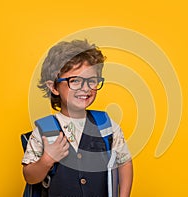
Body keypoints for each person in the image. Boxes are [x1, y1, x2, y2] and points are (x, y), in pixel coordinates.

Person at [22, 39, 133, 197]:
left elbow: (124, 162)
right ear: (53, 87)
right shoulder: (45, 131)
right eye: (75, 81)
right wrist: (47, 160)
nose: (85, 88)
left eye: (92, 81)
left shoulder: (106, 126)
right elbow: (30, 177)